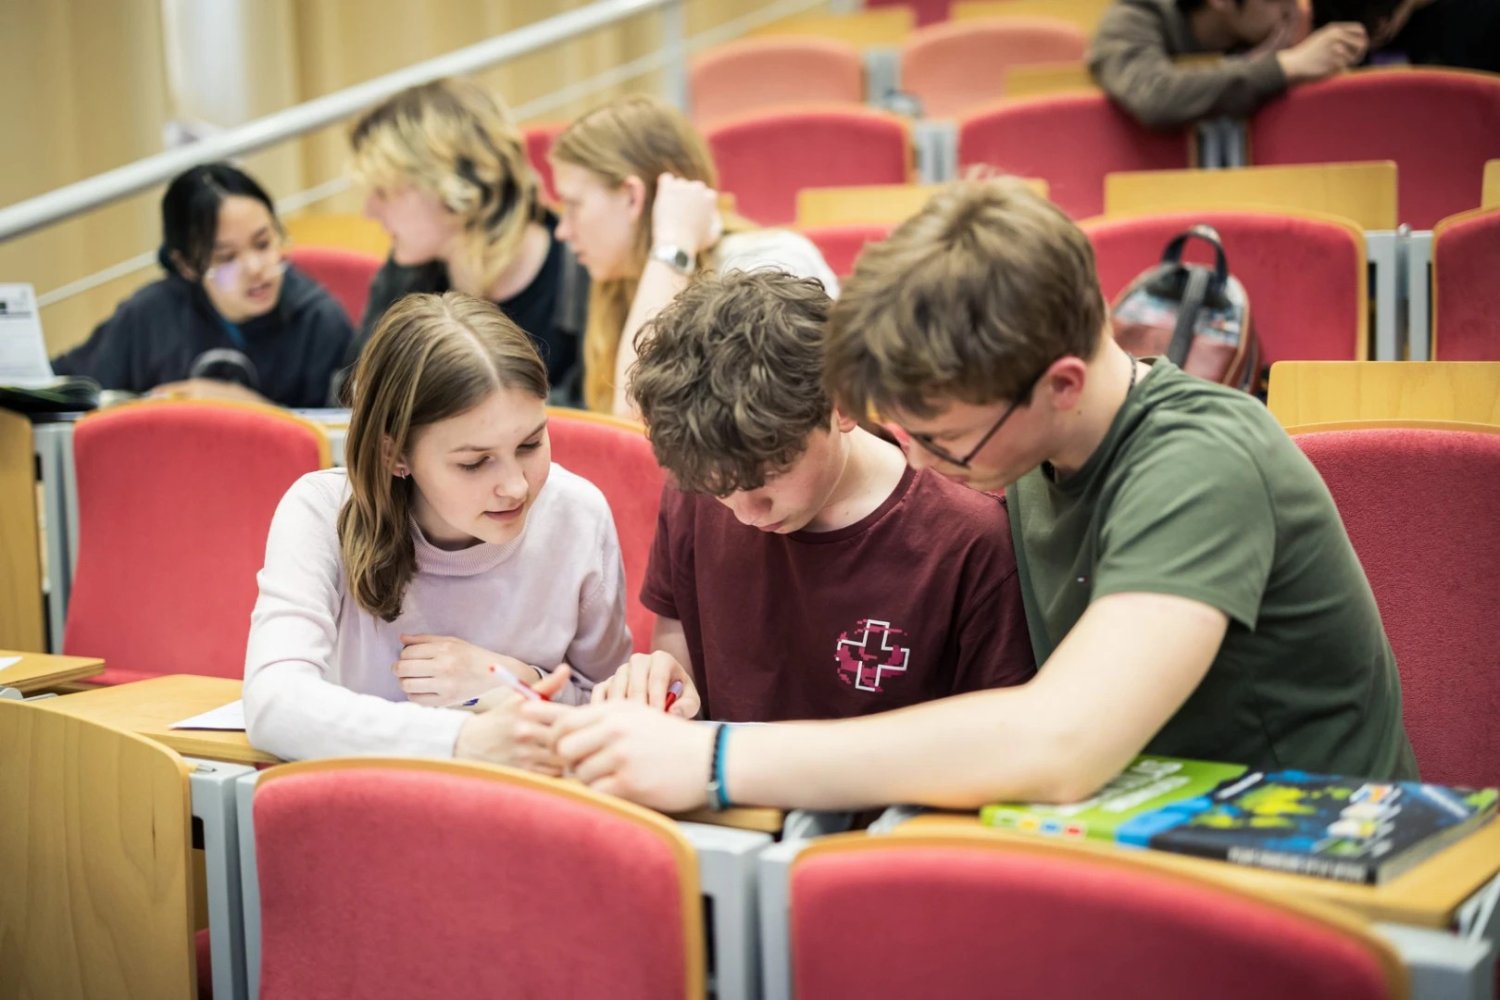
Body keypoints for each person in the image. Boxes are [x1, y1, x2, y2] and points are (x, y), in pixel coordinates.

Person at [534, 178, 1417, 813]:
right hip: (1132, 818)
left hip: (1305, 833)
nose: (915, 456)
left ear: (1061, 385)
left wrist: (717, 760)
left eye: (943, 437)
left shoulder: (1202, 461)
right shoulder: (1017, 445)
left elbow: (1063, 742)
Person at [588, 270, 1035, 723]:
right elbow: (679, 646)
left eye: (770, 474)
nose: (746, 513)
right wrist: (664, 686)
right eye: (718, 488)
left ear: (841, 405)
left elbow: (999, 737)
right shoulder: (697, 477)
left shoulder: (968, 540)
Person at [243, 291, 631, 766]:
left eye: (530, 444)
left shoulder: (578, 514)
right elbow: (273, 702)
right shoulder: (321, 510)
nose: (515, 486)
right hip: (366, 793)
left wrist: (513, 682)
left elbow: (612, 709)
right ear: (394, 455)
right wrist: (463, 740)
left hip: (528, 797)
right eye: (474, 463)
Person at [548, 94, 839, 418]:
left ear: (632, 197)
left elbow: (636, 416)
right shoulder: (621, 281)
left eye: (573, 205)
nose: (562, 231)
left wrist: (673, 243)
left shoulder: (765, 265)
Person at [347, 79, 587, 403]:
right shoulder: (403, 275)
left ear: (452, 187)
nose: (369, 211)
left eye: (384, 191)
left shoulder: (582, 273)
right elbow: (352, 394)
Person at [52, 162, 354, 407]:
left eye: (263, 244)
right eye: (226, 258)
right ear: (186, 265)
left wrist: (252, 409)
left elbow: (347, 441)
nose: (255, 269)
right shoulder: (150, 315)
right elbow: (66, 390)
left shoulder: (320, 322)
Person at [1088, 0, 1370, 129]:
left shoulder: (1281, 29)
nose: (1293, 8)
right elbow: (1153, 95)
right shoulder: (1134, 16)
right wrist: (1284, 67)